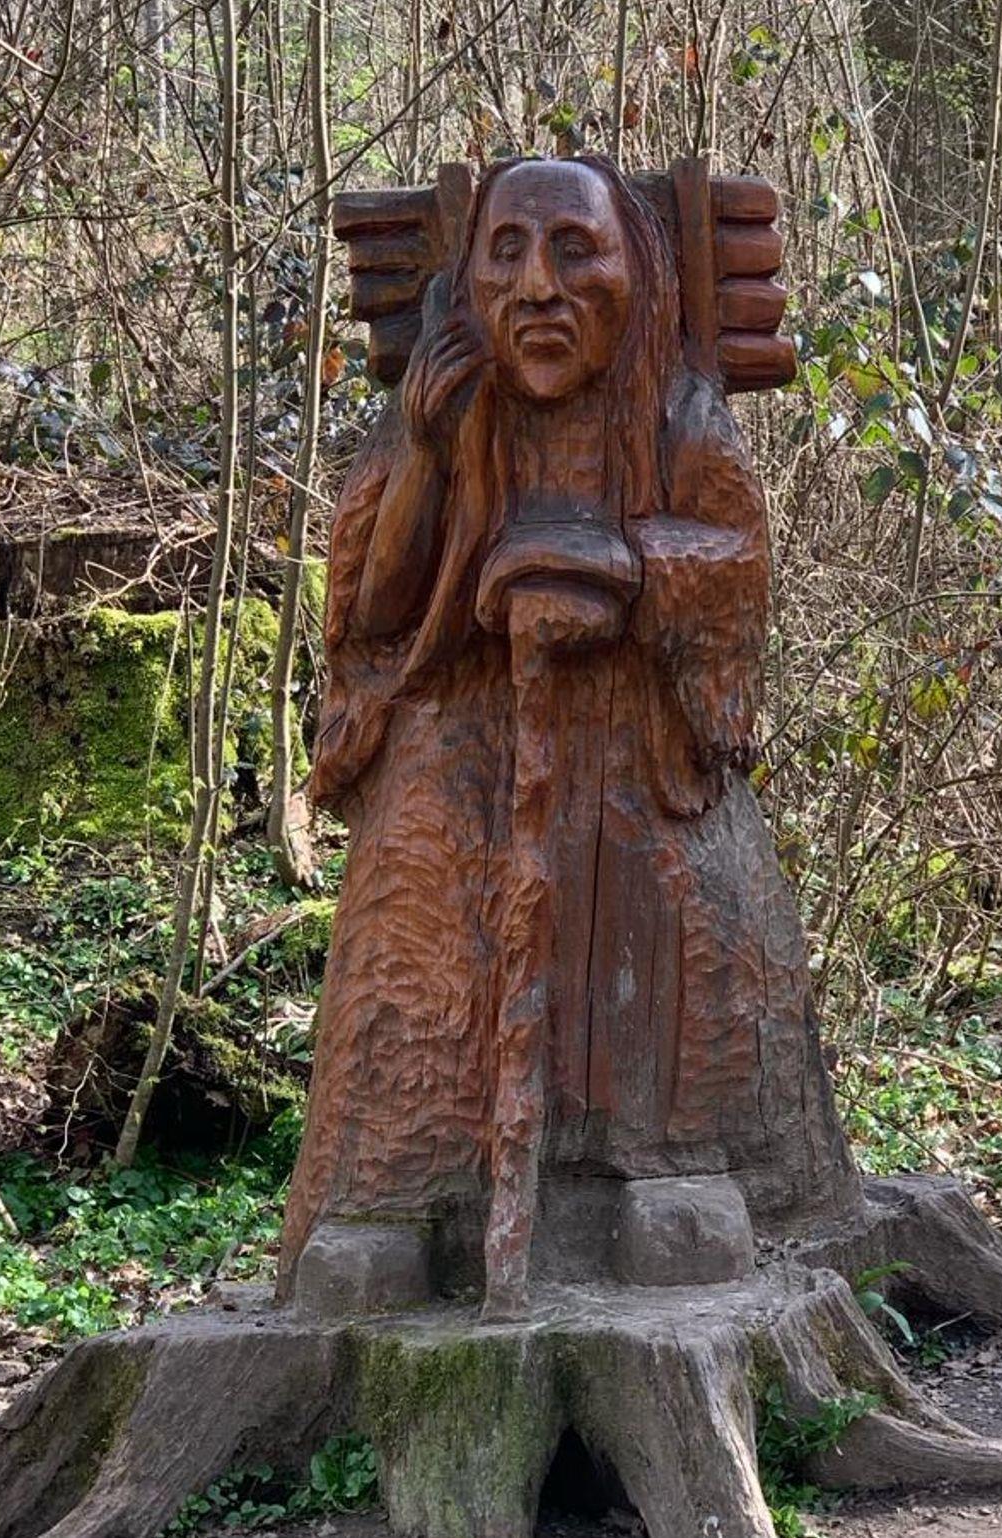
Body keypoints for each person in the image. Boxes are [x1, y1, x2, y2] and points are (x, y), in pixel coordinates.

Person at [278, 156, 857, 1313]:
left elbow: (737, 566)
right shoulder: (434, 414)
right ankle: (397, 1196)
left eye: (574, 250)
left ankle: (667, 1169)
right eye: (507, 253)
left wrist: (627, 565)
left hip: (638, 743)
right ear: (465, 287)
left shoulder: (676, 418)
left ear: (634, 276)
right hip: (462, 741)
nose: (539, 285)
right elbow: (374, 608)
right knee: (418, 908)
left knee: (669, 908)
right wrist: (430, 451)